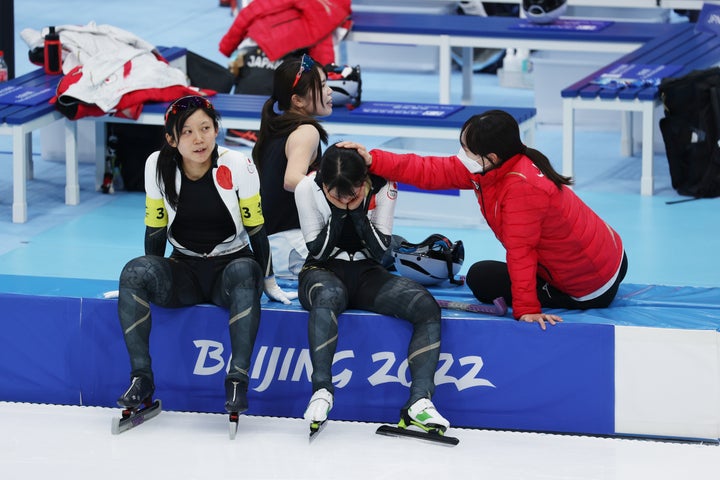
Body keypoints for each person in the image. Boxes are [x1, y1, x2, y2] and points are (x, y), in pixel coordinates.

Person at [340, 109, 628, 331]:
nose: (460, 156)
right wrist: (374, 160)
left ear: (490, 156)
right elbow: (430, 169)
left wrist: (527, 308)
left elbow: (521, 253)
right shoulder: (497, 165)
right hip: (610, 257)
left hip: (589, 287)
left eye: (466, 150)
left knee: (482, 278)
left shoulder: (521, 188)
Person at [116, 95, 296, 418]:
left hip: (231, 269)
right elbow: (155, 231)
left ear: (216, 130)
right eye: (187, 132)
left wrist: (267, 279)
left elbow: (257, 230)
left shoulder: (238, 165)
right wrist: (148, 275)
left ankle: (238, 379)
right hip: (184, 269)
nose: (199, 139)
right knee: (133, 271)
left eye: (206, 128)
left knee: (245, 270)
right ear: (171, 138)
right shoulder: (156, 166)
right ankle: (141, 379)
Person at [294, 144, 450, 435]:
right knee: (328, 296)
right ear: (323, 185)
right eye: (335, 195)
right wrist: (342, 213)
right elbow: (318, 251)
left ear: (363, 181)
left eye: (352, 194)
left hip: (368, 270)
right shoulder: (307, 187)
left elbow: (379, 250)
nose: (344, 200)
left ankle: (419, 402)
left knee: (426, 305)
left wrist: (356, 212)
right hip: (321, 271)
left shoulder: (384, 185)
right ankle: (322, 391)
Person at [251, 53, 333, 278]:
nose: (330, 91)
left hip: (271, 248)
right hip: (293, 248)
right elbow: (291, 180)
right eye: (323, 85)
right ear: (297, 100)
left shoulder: (274, 128)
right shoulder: (307, 131)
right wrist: (337, 189)